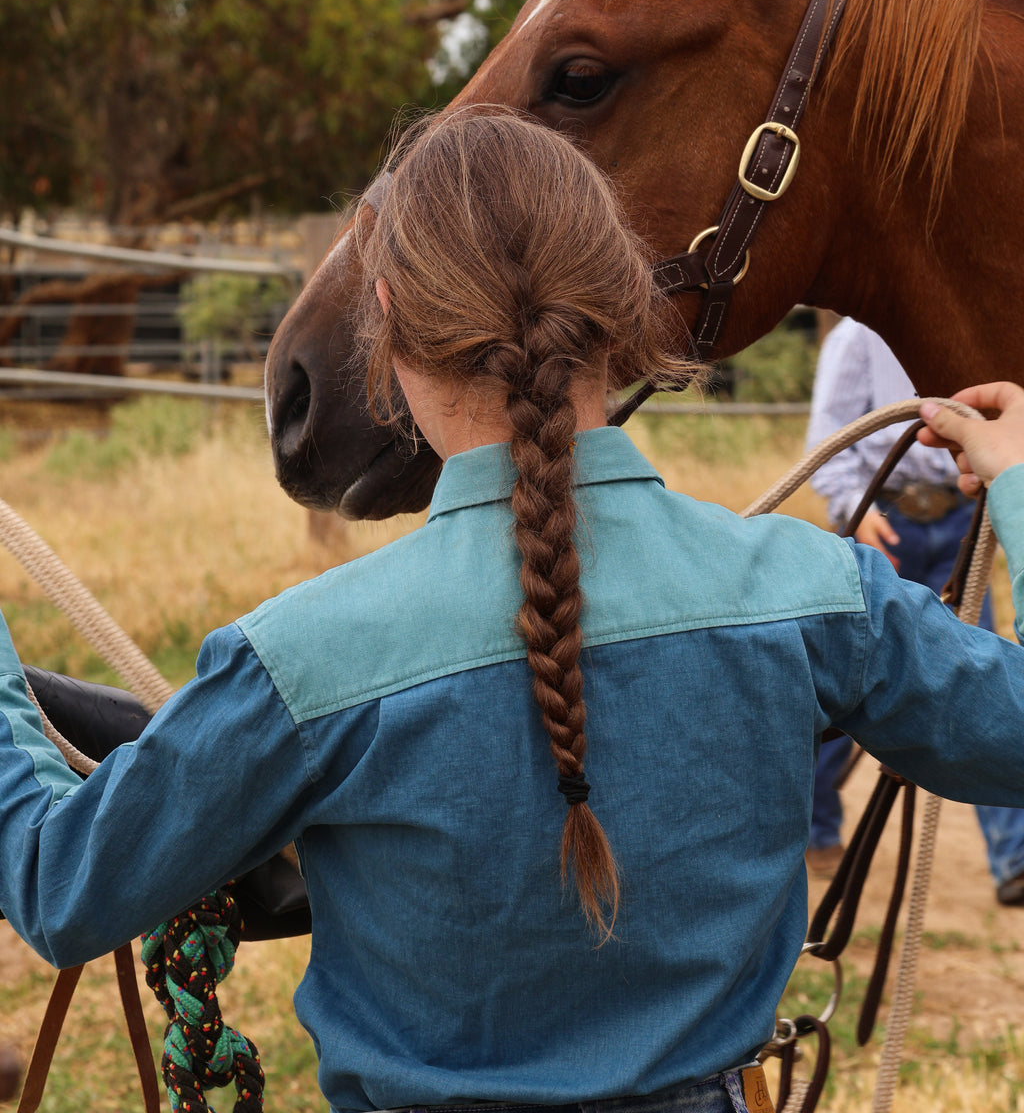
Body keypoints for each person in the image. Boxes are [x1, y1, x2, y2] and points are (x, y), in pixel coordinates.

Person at [5, 111, 1024, 1113]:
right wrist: (1017, 486)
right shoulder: (816, 593)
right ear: (623, 301)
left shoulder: (298, 662)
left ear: (389, 315)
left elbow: (62, 888)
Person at [805, 317, 1024, 902]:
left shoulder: (959, 317)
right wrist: (856, 505)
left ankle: (1014, 856)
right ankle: (819, 821)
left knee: (981, 668)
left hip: (959, 519)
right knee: (864, 674)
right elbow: (830, 437)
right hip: (890, 521)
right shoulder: (855, 340)